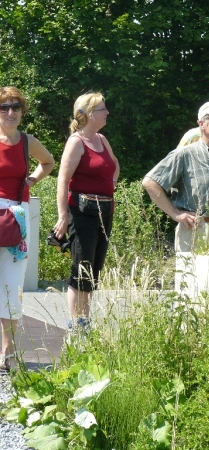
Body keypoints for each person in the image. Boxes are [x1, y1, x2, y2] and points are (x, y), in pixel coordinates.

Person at [143, 100, 209, 252]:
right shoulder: (185, 154)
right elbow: (150, 182)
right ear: (201, 124)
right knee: (191, 276)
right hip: (194, 230)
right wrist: (175, 213)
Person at [53, 92, 119, 336]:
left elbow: (114, 163)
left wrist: (109, 183)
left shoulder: (101, 139)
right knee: (81, 267)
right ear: (90, 115)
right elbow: (63, 180)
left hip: (104, 211)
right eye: (103, 109)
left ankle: (85, 321)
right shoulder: (76, 142)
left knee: (94, 268)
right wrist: (62, 216)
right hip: (80, 213)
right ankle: (76, 325)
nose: (107, 112)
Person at [0, 86, 54, 372]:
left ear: (22, 111)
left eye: (15, 107)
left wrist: (31, 180)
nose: (10, 112)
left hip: (16, 219)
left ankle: (7, 351)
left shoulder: (27, 142)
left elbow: (48, 162)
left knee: (10, 285)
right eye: (4, 107)